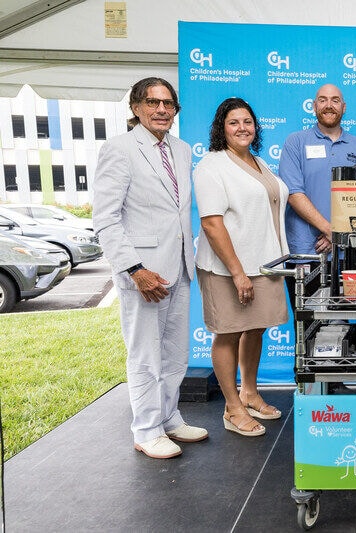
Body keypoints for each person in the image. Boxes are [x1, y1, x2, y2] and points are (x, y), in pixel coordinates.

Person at [93, 77, 207, 459]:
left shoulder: (183, 149)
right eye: (153, 102)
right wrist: (134, 269)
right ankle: (145, 428)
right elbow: (106, 220)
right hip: (142, 273)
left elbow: (176, 212)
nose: (161, 110)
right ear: (136, 107)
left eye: (168, 104)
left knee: (175, 353)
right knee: (144, 354)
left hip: (178, 267)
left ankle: (168, 417)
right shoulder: (119, 150)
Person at [193, 97, 289, 437]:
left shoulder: (258, 162)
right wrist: (237, 272)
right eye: (234, 122)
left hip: (264, 264)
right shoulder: (212, 166)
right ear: (222, 128)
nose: (242, 128)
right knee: (229, 332)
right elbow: (212, 223)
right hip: (228, 268)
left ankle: (249, 393)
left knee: (257, 327)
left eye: (247, 122)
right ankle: (232, 409)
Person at [279, 83, 356, 307]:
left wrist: (339, 236)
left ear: (344, 107)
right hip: (305, 252)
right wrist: (330, 230)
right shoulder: (296, 142)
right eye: (322, 100)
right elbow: (293, 193)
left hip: (349, 253)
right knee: (307, 324)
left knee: (342, 322)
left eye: (334, 100)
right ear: (314, 106)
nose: (329, 105)